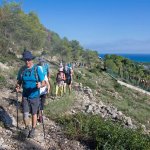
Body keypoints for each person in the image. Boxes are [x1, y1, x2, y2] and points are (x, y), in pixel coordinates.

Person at [16, 51, 45, 138]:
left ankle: (33, 129)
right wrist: (17, 86)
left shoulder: (37, 69)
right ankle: (26, 128)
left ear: (32, 60)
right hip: (25, 95)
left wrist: (40, 84)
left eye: (28, 60)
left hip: (35, 95)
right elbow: (19, 81)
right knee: (25, 113)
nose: (27, 62)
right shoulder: (22, 70)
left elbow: (44, 82)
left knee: (34, 113)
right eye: (25, 60)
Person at [37, 58, 50, 122]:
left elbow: (46, 79)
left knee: (40, 103)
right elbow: (46, 80)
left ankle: (39, 116)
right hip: (41, 90)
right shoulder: (41, 69)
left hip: (40, 90)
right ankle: (40, 116)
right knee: (41, 103)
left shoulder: (37, 68)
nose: (43, 63)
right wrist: (48, 87)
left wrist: (48, 86)